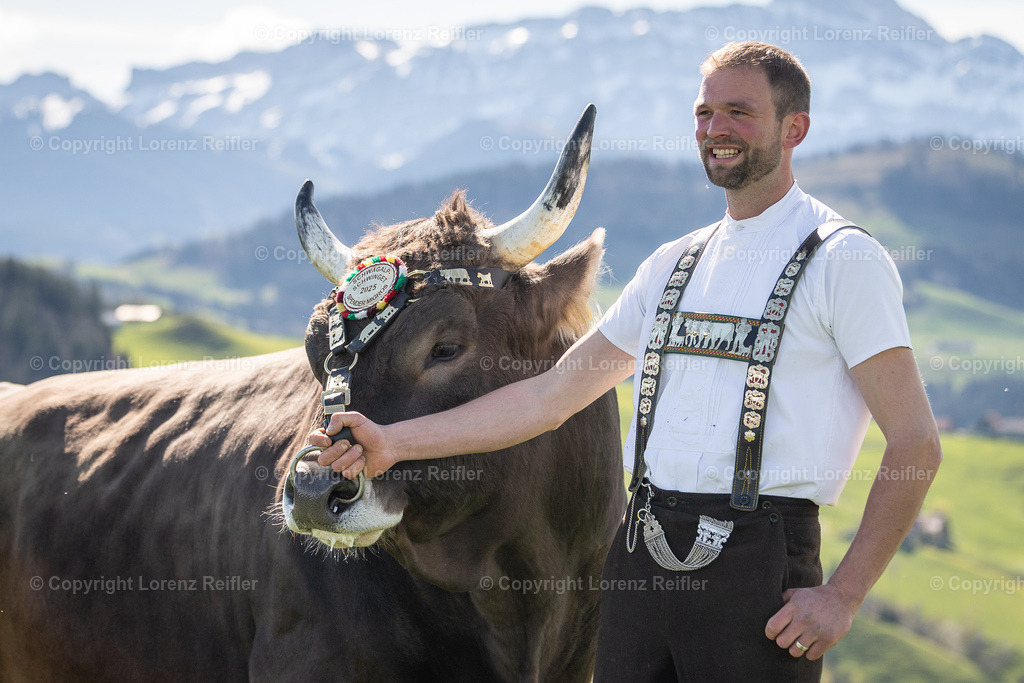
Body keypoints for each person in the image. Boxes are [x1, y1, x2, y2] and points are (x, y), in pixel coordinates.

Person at [309, 41, 941, 682]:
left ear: (794, 128)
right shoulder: (673, 264)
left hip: (760, 563)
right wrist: (391, 442)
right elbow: (547, 399)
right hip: (637, 554)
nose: (716, 129)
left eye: (739, 112)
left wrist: (844, 596)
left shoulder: (844, 260)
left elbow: (915, 443)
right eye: (704, 112)